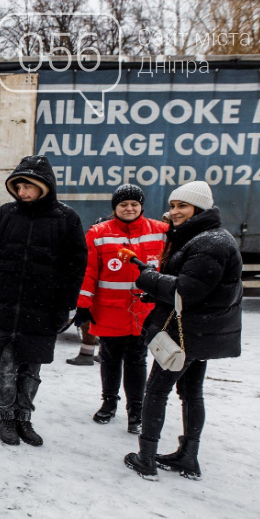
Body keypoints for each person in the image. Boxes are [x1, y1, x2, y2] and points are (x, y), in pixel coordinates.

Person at [123, 181, 242, 481]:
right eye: (173, 205)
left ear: (199, 208)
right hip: (201, 330)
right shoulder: (206, 237)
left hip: (188, 332)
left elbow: (186, 290)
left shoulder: (209, 242)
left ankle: (146, 458)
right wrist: (159, 291)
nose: (174, 212)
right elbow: (195, 286)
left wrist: (149, 279)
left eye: (182, 206)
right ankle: (188, 456)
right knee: (191, 393)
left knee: (156, 392)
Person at [0, 155, 87, 447]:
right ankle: (6, 417)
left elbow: (75, 267)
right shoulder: (5, 215)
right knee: (5, 365)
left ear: (44, 186)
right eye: (18, 186)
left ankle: (24, 416)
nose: (22, 192)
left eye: (28, 186)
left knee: (31, 368)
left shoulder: (66, 219)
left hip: (41, 309)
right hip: (4, 305)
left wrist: (65, 305)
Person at [75, 184, 167, 434]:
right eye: (123, 204)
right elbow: (89, 271)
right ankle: (108, 402)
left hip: (143, 311)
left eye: (134, 204)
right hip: (109, 309)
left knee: (137, 360)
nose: (129, 208)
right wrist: (83, 304)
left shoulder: (160, 231)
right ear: (115, 207)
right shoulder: (98, 233)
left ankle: (136, 410)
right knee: (110, 358)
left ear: (141, 207)